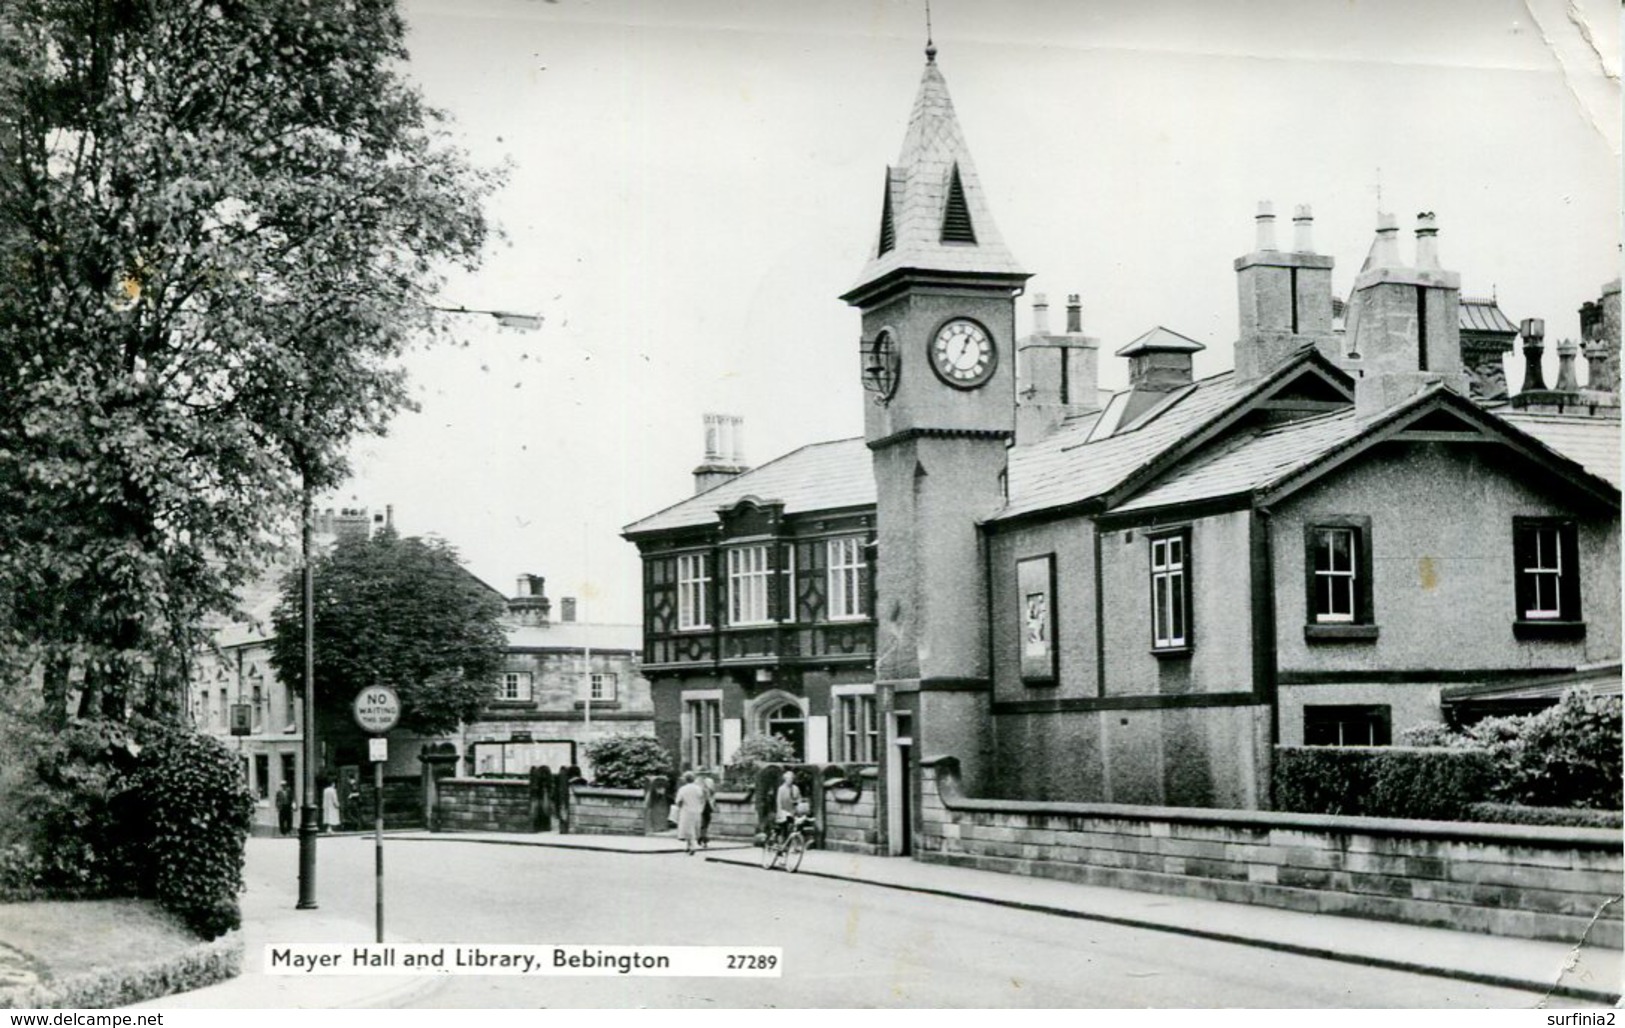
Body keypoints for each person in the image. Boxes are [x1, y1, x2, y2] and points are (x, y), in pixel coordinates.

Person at [673, 772, 707, 856]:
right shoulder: (698, 788)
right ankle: (688, 846)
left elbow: (678, 801)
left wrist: (679, 805)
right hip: (696, 810)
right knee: (694, 828)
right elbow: (702, 798)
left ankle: (692, 847)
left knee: (688, 829)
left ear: (685, 779)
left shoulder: (683, 789)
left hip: (686, 811)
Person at [773, 770, 801, 845]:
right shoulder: (781, 789)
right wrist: (779, 812)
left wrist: (797, 803)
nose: (790, 780)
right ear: (785, 779)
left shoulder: (795, 788)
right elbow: (778, 801)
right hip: (783, 812)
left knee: (794, 828)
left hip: (792, 812)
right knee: (783, 829)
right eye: (788, 779)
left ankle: (794, 846)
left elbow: (799, 799)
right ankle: (780, 845)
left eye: (791, 778)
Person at [697, 774, 716, 850]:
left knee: (707, 820)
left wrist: (708, 788)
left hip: (708, 803)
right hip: (700, 804)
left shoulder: (710, 781)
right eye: (702, 773)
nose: (703, 775)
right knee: (702, 822)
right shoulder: (697, 781)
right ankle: (703, 838)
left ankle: (703, 836)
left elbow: (713, 792)